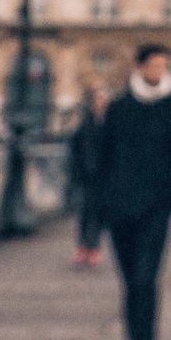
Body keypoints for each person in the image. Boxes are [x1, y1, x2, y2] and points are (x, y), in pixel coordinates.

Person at [97, 44, 171, 340]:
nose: (160, 71)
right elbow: (102, 158)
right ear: (139, 68)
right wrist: (104, 203)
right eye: (154, 65)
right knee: (130, 283)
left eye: (164, 66)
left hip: (155, 212)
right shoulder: (119, 108)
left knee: (144, 280)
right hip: (120, 211)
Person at [68, 84, 109, 268]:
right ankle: (83, 247)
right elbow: (75, 147)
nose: (101, 103)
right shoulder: (86, 124)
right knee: (85, 213)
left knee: (97, 214)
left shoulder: (111, 124)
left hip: (104, 178)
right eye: (98, 100)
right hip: (86, 177)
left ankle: (93, 247)